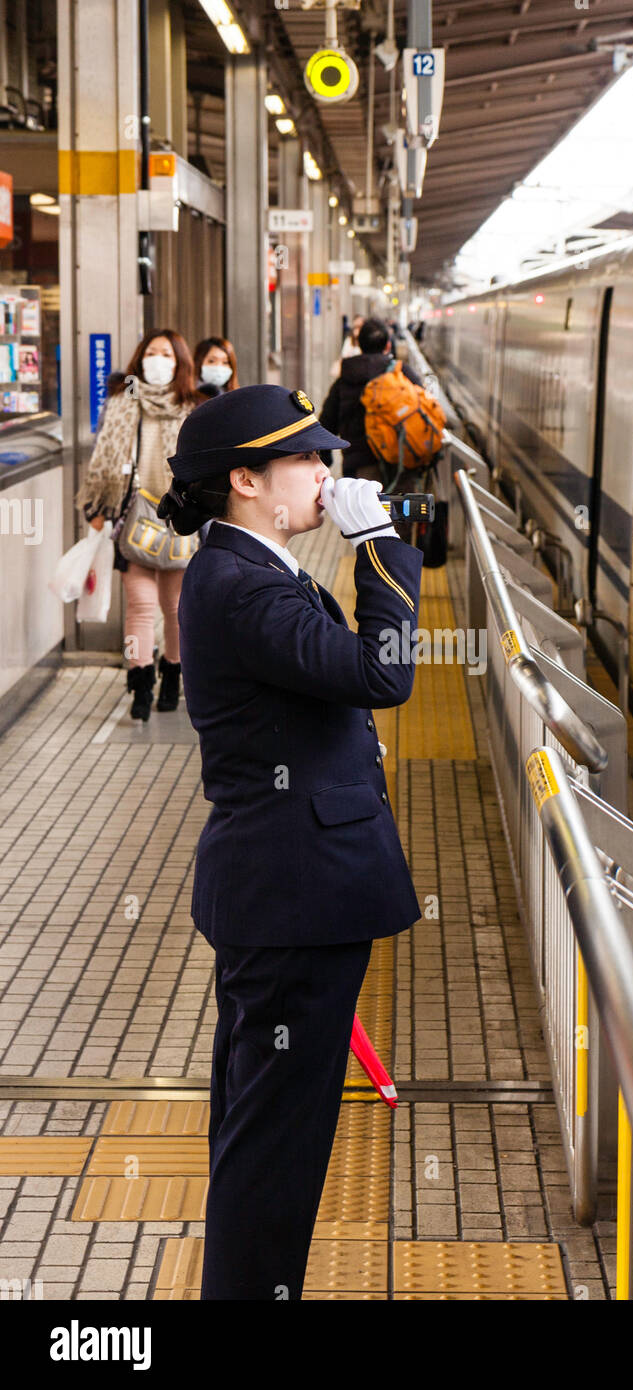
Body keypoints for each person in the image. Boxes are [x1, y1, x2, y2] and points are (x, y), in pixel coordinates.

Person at [157, 383, 423, 1300]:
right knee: (277, 1141)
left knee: (263, 1125)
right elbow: (381, 676)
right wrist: (380, 549)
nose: (327, 473)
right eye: (308, 459)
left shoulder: (250, 568)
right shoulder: (241, 585)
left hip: (290, 892)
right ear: (244, 480)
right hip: (297, 897)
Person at [75, 329, 201, 720]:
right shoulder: (121, 402)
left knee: (176, 608)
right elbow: (102, 459)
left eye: (166, 353)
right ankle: (140, 683)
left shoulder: (193, 408)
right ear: (139, 359)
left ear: (180, 363)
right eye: (151, 352)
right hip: (132, 516)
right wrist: (98, 508)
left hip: (178, 518)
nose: (157, 360)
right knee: (140, 607)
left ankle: (173, 677)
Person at [320, 316, 422, 480]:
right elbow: (422, 405)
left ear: (359, 344)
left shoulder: (346, 378)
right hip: (401, 465)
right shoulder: (402, 372)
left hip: (359, 469)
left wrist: (325, 458)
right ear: (388, 345)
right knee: (398, 506)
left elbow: (327, 422)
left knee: (361, 506)